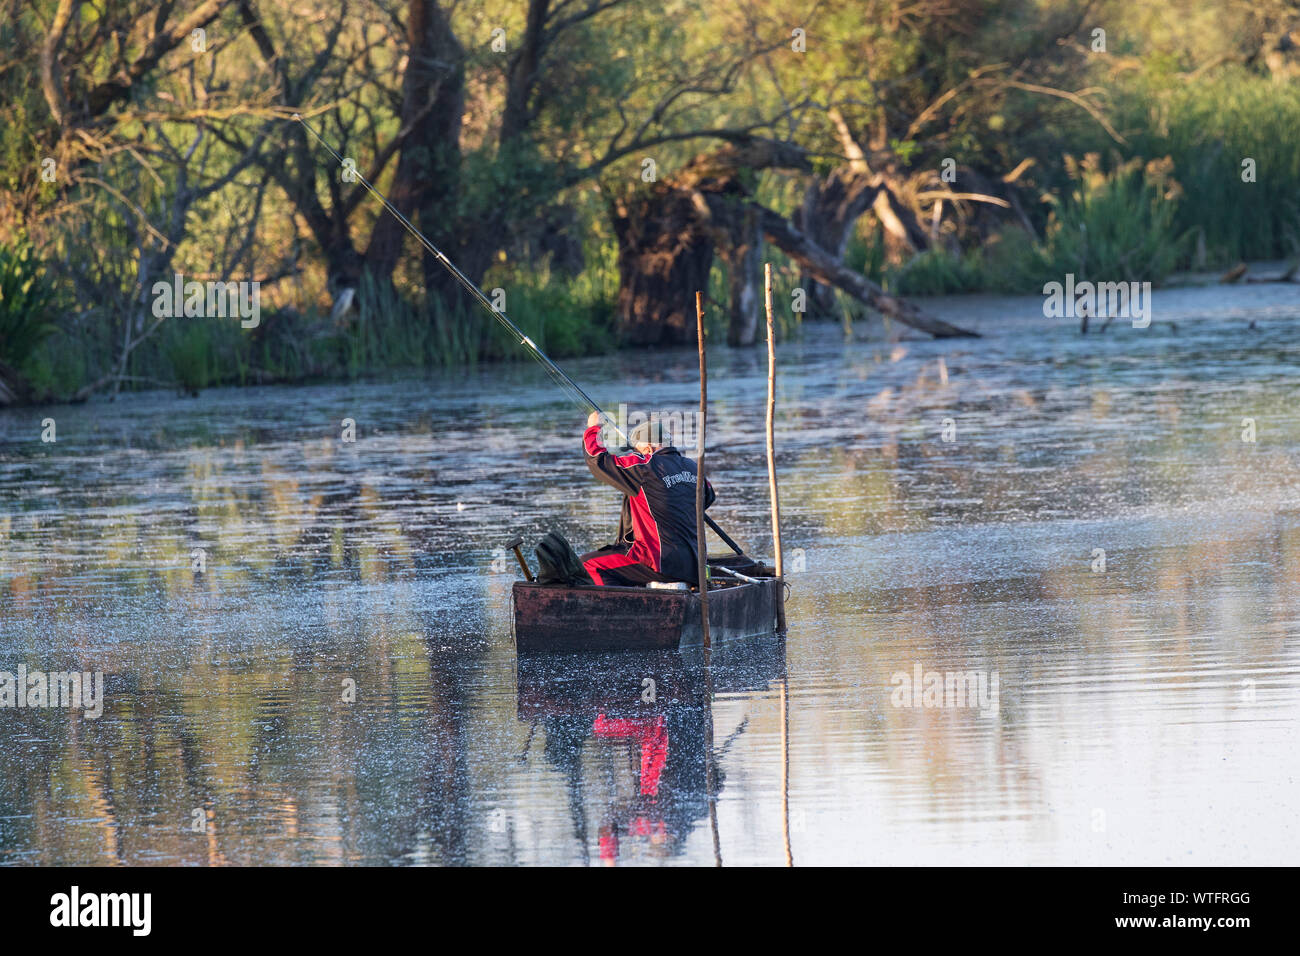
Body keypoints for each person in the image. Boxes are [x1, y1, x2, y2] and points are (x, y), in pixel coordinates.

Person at [580, 411, 715, 587]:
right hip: (695, 566)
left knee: (587, 564)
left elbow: (597, 459)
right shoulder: (693, 467)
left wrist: (593, 428)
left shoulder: (645, 467)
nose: (634, 456)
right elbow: (708, 497)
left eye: (637, 451)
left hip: (660, 563)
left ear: (649, 449)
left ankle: (619, 607)